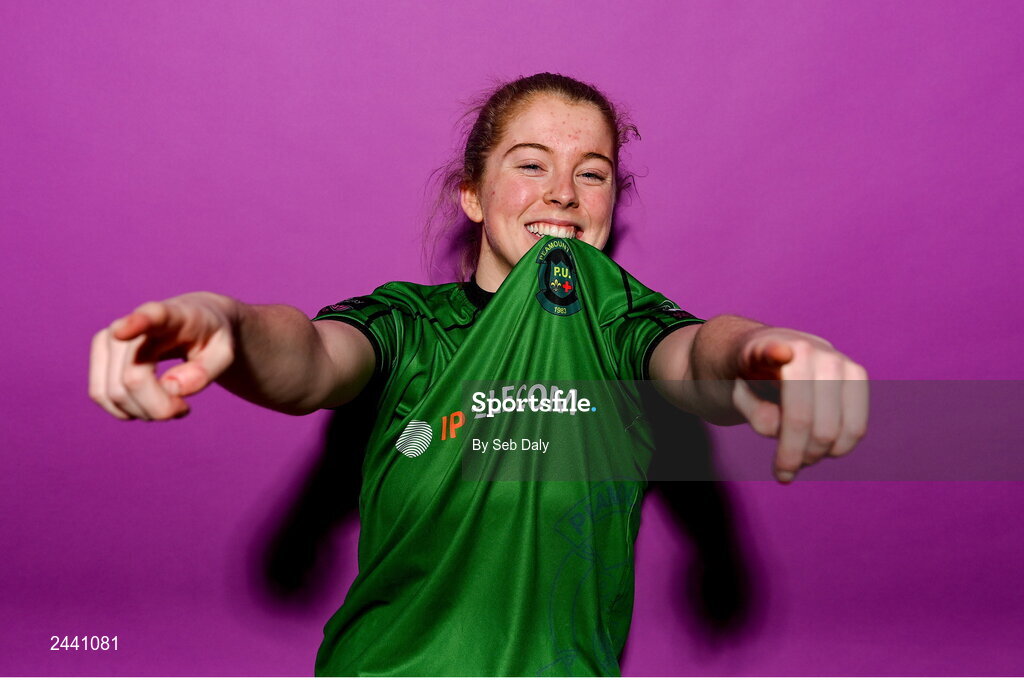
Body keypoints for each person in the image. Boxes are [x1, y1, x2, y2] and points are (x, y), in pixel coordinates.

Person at [89, 73, 868, 676]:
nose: (563, 191)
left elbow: (699, 356)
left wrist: (765, 351)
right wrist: (224, 319)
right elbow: (309, 361)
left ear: (612, 203)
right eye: (531, 165)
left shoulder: (623, 325)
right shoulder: (409, 325)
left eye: (592, 173)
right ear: (471, 193)